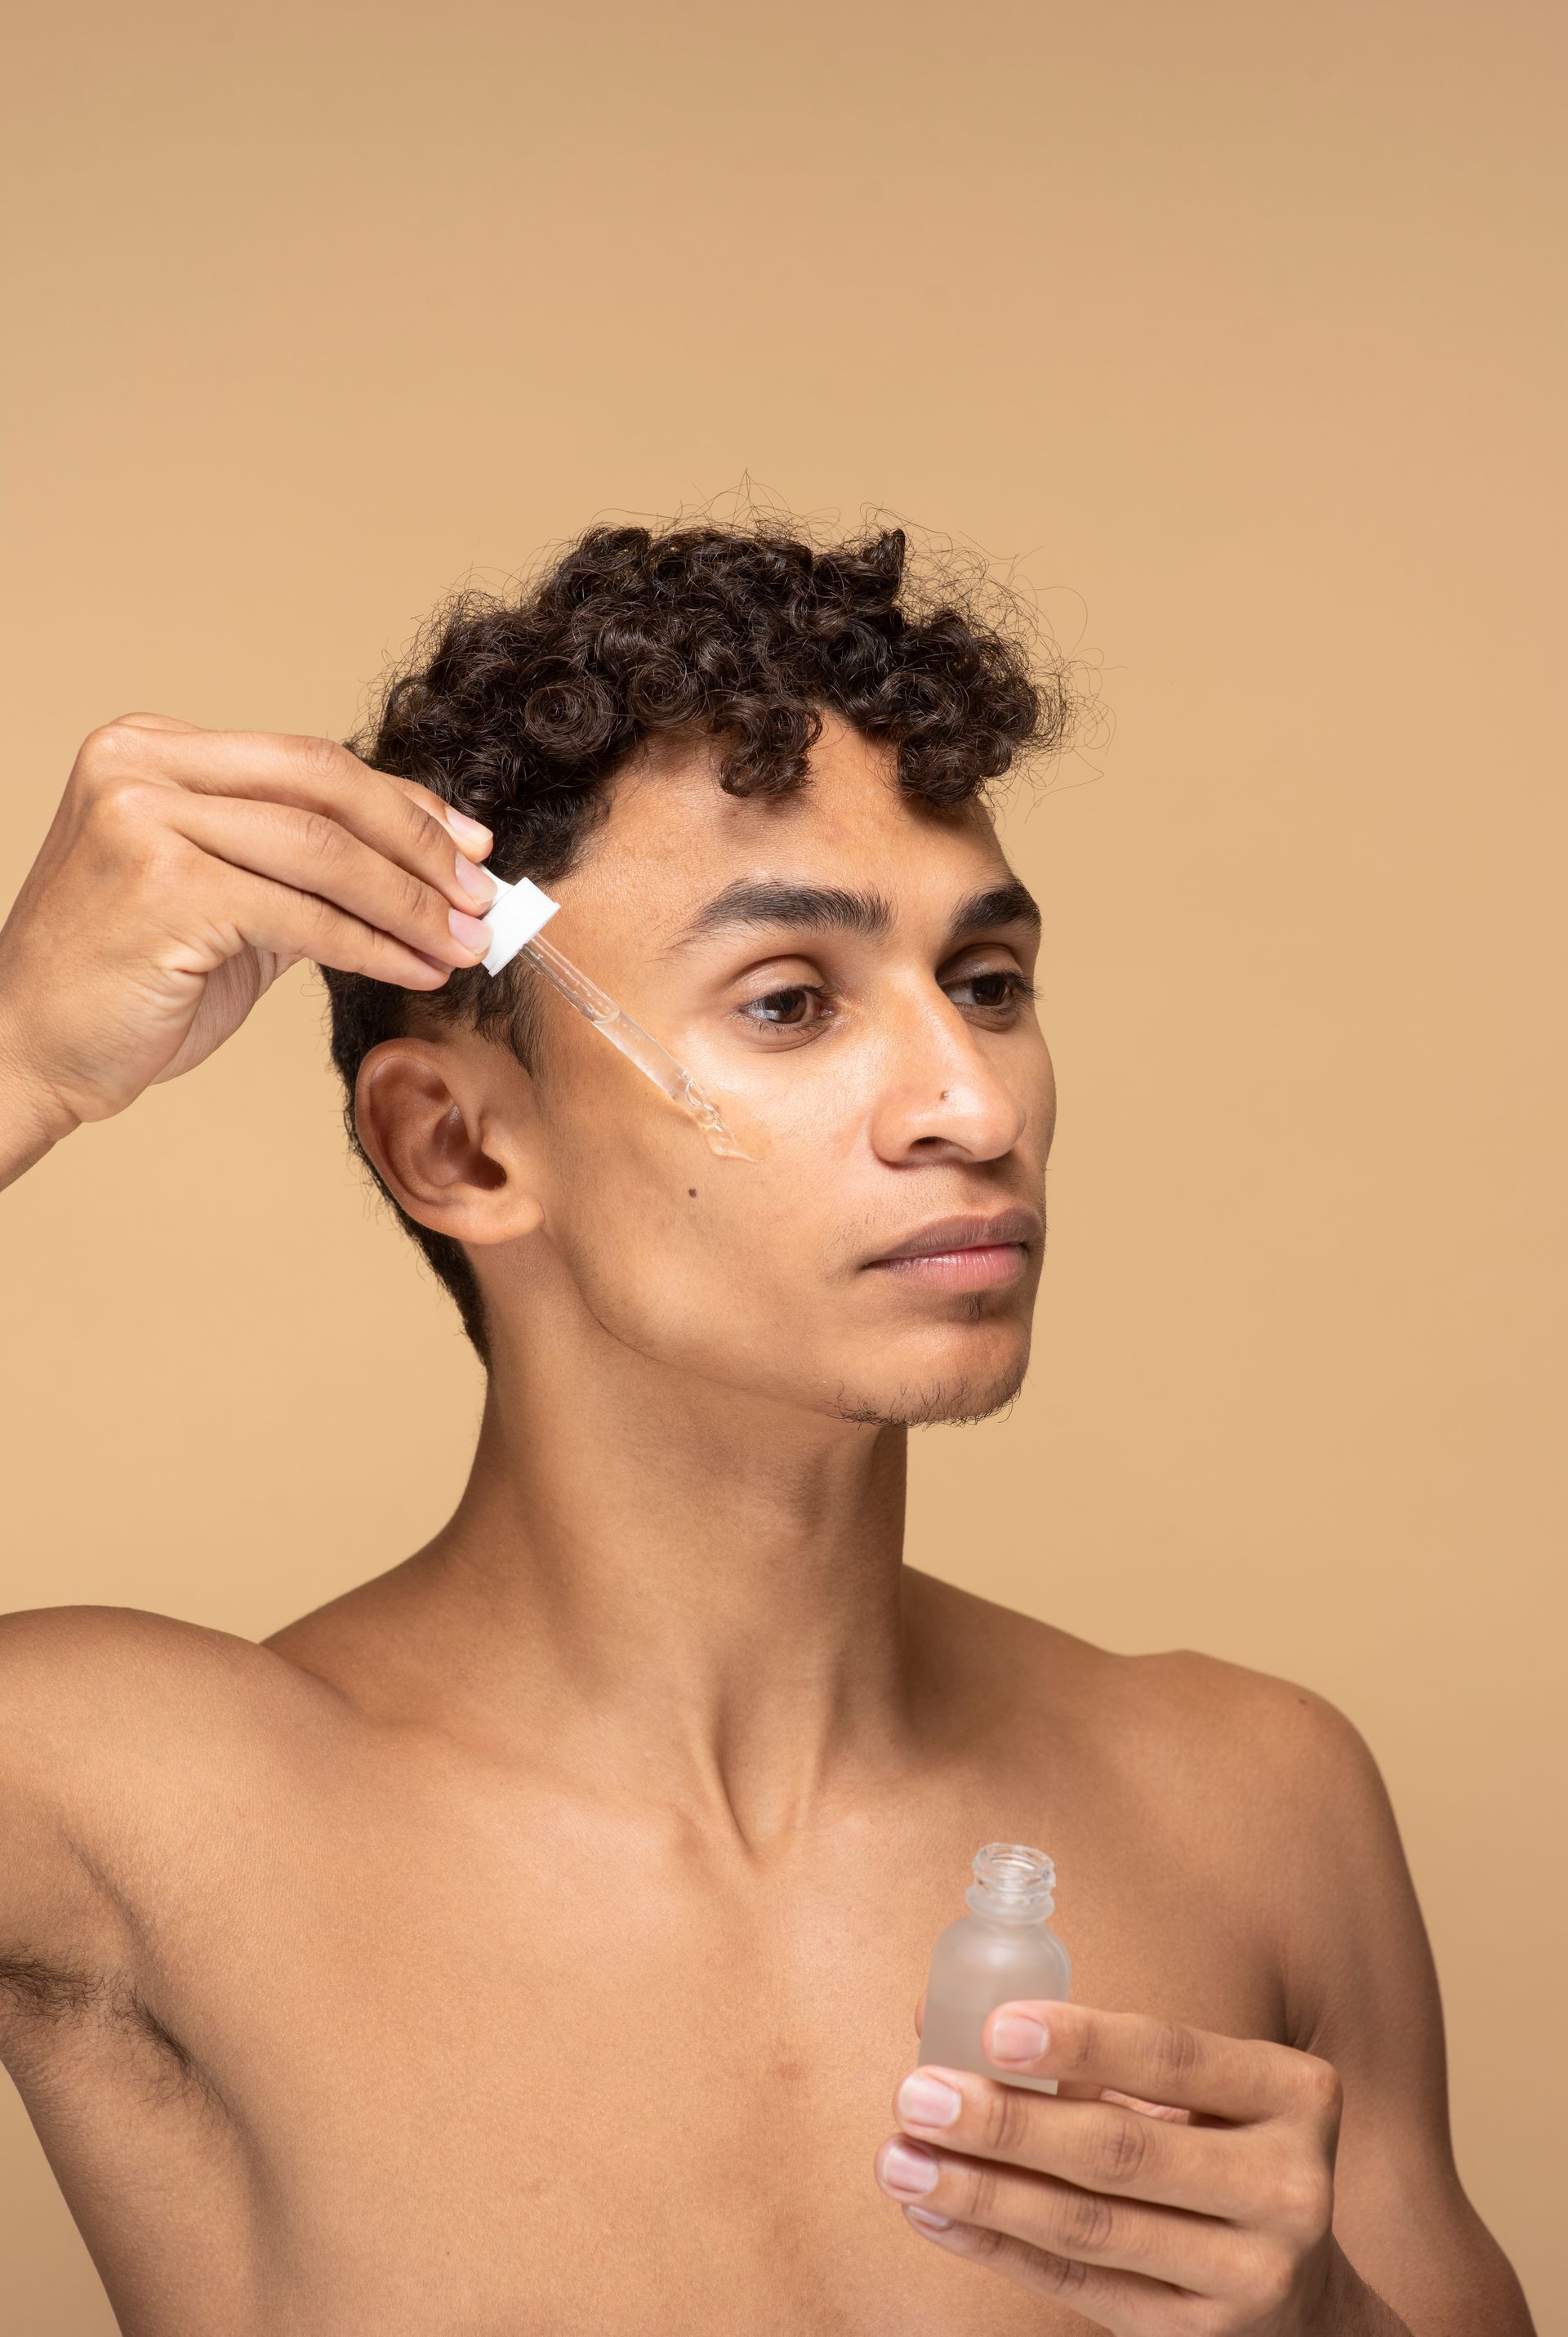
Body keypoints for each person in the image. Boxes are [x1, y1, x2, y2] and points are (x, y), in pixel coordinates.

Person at [0, 520, 1534, 2337]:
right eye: (791, 1001)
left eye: (990, 984)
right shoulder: (122, 1802)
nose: (971, 1102)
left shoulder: (1258, 1806)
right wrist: (14, 1054)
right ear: (461, 1147)